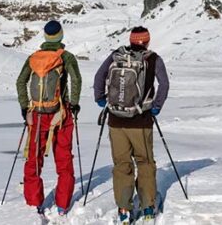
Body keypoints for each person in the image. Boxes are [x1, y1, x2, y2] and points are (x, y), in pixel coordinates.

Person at [93, 26, 170, 223]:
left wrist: (101, 100)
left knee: (122, 164)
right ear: (147, 41)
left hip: (116, 120)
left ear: (131, 39)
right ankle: (147, 207)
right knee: (145, 163)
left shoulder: (116, 55)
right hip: (141, 121)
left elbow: (99, 77)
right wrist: (156, 106)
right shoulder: (153, 59)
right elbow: (164, 84)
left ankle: (124, 209)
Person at [16, 20, 82, 218]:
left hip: (36, 115)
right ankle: (62, 205)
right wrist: (74, 104)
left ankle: (34, 202)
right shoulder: (66, 57)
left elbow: (21, 81)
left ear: (45, 37)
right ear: (61, 36)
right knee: (63, 159)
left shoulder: (33, 58)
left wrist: (24, 106)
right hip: (61, 115)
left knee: (33, 159)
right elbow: (76, 79)